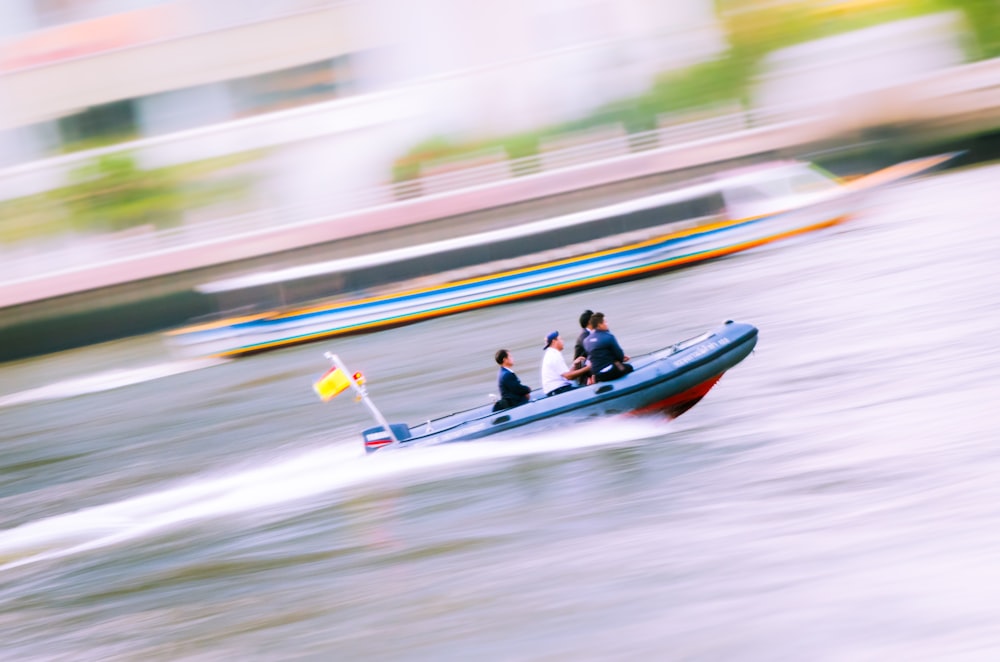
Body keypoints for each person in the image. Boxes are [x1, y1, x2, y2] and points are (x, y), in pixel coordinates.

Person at [582, 312, 634, 382]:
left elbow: (592, 357)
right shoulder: (608, 337)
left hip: (597, 374)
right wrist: (622, 358)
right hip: (609, 372)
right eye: (605, 322)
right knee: (629, 367)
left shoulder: (586, 341)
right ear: (599, 325)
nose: (607, 324)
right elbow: (619, 356)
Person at [540, 331, 589, 397]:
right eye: (561, 339)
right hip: (559, 390)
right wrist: (588, 368)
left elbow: (566, 376)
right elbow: (569, 376)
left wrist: (574, 366)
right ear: (554, 341)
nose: (563, 341)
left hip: (557, 390)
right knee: (586, 392)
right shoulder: (554, 355)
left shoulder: (551, 353)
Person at [572, 309, 593, 385]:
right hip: (583, 374)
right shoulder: (584, 336)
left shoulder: (588, 333)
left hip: (587, 366)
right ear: (590, 321)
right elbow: (593, 353)